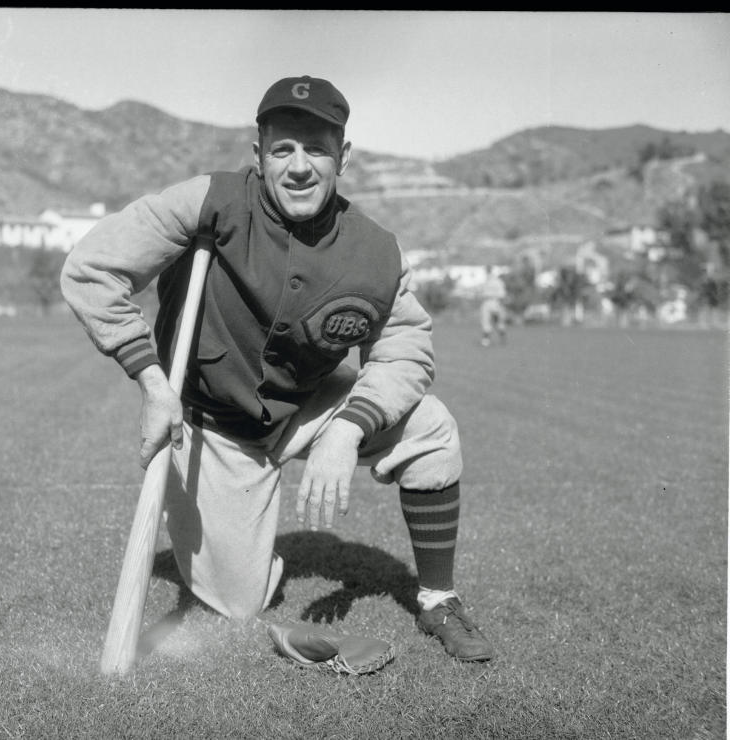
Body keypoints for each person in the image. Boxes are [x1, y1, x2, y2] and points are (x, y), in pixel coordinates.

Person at [60, 75, 493, 662]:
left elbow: (407, 349)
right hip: (211, 426)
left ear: (343, 156)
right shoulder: (205, 199)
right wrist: (152, 382)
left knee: (433, 429)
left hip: (310, 405)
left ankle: (439, 599)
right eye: (282, 148)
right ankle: (238, 543)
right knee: (239, 603)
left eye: (316, 148)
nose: (298, 166)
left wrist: (347, 429)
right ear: (257, 152)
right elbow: (91, 270)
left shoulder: (377, 251)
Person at [479, 266, 508, 347]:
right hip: (488, 302)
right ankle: (486, 339)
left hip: (495, 302)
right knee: (486, 321)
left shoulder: (497, 281)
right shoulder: (487, 281)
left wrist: (500, 304)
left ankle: (502, 337)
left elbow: (502, 294)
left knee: (496, 321)